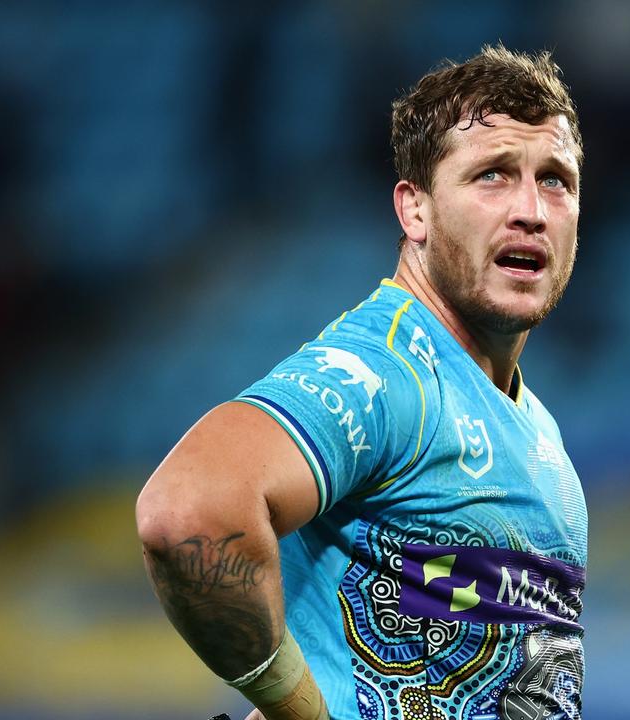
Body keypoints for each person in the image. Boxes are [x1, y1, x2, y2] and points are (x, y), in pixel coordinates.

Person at [136, 44, 588, 720]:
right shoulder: (385, 372)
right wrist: (293, 707)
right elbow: (186, 511)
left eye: (555, 179)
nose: (531, 209)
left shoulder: (534, 427)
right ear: (416, 211)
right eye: (492, 175)